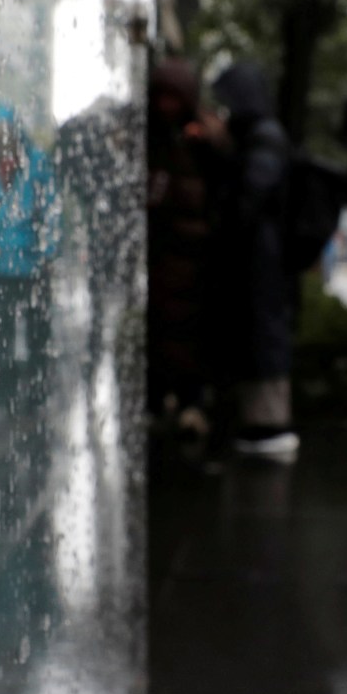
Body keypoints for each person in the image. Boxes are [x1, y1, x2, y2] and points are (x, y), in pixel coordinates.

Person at [208, 62, 297, 457]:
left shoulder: (264, 138)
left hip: (263, 257)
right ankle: (259, 424)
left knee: (265, 335)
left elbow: (250, 193)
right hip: (259, 256)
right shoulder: (258, 137)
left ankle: (269, 426)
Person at [146, 59, 226, 433]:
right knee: (160, 331)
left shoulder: (205, 135)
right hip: (161, 254)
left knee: (191, 334)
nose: (166, 107)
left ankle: (191, 403)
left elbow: (227, 171)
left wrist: (206, 142)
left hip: (195, 257)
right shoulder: (148, 137)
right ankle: (158, 400)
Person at [0, 102, 61, 405]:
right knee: (2, 330)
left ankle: (37, 389)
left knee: (36, 331)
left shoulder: (36, 162)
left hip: (33, 263)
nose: (1, 141)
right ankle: (4, 388)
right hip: (3, 263)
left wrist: (49, 252)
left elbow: (52, 209)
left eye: (4, 134)